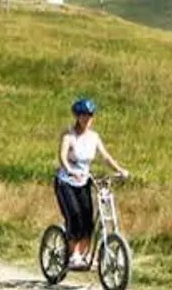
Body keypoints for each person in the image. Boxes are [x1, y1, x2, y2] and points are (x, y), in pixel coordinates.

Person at [55, 98, 129, 269]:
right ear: (77, 116)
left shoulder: (94, 137)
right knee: (74, 215)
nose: (86, 119)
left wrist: (120, 170)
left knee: (88, 219)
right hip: (66, 182)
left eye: (89, 116)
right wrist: (69, 169)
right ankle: (74, 255)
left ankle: (86, 255)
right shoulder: (69, 135)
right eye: (83, 116)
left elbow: (106, 157)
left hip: (84, 181)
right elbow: (62, 156)